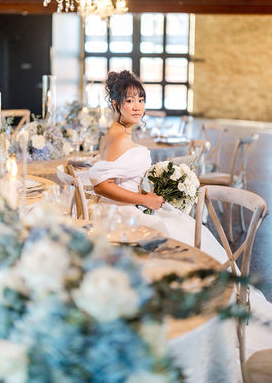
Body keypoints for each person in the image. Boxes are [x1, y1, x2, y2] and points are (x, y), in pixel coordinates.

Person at [89, 70, 272, 360]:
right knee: (187, 236)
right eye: (129, 100)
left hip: (134, 208)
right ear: (115, 104)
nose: (137, 106)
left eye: (141, 99)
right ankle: (203, 313)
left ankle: (209, 309)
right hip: (125, 217)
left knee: (190, 229)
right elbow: (101, 185)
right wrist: (144, 198)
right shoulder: (116, 136)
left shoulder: (121, 133)